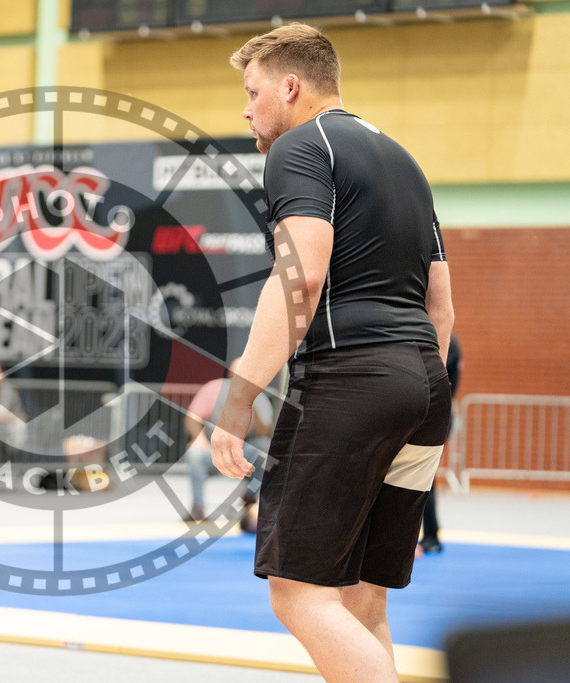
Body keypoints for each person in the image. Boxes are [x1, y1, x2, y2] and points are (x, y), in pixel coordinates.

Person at [212, 25, 454, 682]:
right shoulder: (404, 160)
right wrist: (410, 386)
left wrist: (239, 397)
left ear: (290, 87)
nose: (246, 109)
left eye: (252, 91)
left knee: (297, 592)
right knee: (361, 597)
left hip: (351, 382)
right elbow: (441, 306)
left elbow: (300, 276)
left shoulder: (297, 148)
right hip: (426, 389)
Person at [182, 357, 272, 526]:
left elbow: (264, 433)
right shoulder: (214, 388)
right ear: (230, 373)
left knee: (265, 449)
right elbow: (192, 417)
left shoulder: (259, 396)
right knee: (194, 454)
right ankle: (198, 507)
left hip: (243, 451)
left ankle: (250, 501)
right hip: (212, 449)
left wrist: (251, 406)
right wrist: (199, 438)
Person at [420, 334, 462, 555]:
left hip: (436, 414)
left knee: (423, 475)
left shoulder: (447, 341)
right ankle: (429, 534)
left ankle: (430, 535)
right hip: (430, 412)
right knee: (421, 476)